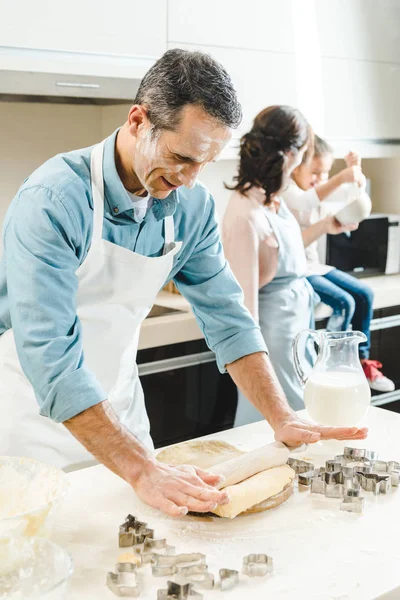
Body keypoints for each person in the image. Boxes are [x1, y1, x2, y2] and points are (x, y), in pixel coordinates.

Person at [0, 53, 366, 518]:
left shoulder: (190, 206)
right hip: (33, 432)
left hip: (123, 420)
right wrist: (141, 471)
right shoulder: (53, 201)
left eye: (206, 162)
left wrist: (283, 416)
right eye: (181, 158)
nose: (190, 179)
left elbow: (230, 318)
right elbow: (51, 360)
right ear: (138, 121)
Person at [223, 106, 358, 424]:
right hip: (276, 338)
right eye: (303, 154)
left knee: (307, 414)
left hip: (297, 326)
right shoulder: (245, 213)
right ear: (289, 155)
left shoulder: (275, 198)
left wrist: (327, 225)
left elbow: (295, 245)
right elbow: (244, 309)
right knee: (289, 417)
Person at [282, 135, 394, 393]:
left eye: (325, 174)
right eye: (316, 172)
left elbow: (354, 196)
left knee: (365, 293)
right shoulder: (289, 194)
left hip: (315, 266)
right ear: (297, 166)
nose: (320, 179)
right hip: (297, 271)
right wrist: (340, 180)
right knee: (345, 302)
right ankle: (330, 366)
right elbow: (294, 240)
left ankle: (363, 362)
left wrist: (357, 172)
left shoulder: (314, 191)